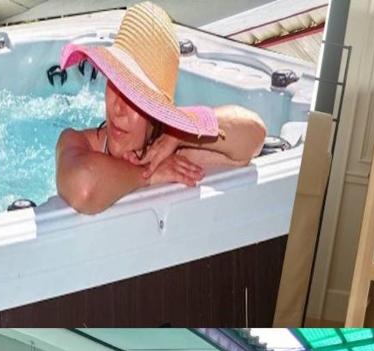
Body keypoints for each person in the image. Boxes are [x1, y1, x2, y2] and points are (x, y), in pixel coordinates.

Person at [55, 2, 267, 215]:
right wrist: (149, 175)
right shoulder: (78, 142)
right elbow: (83, 188)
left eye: (134, 97)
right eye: (115, 83)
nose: (118, 108)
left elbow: (255, 135)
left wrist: (179, 134)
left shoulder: (176, 150)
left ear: (157, 112)